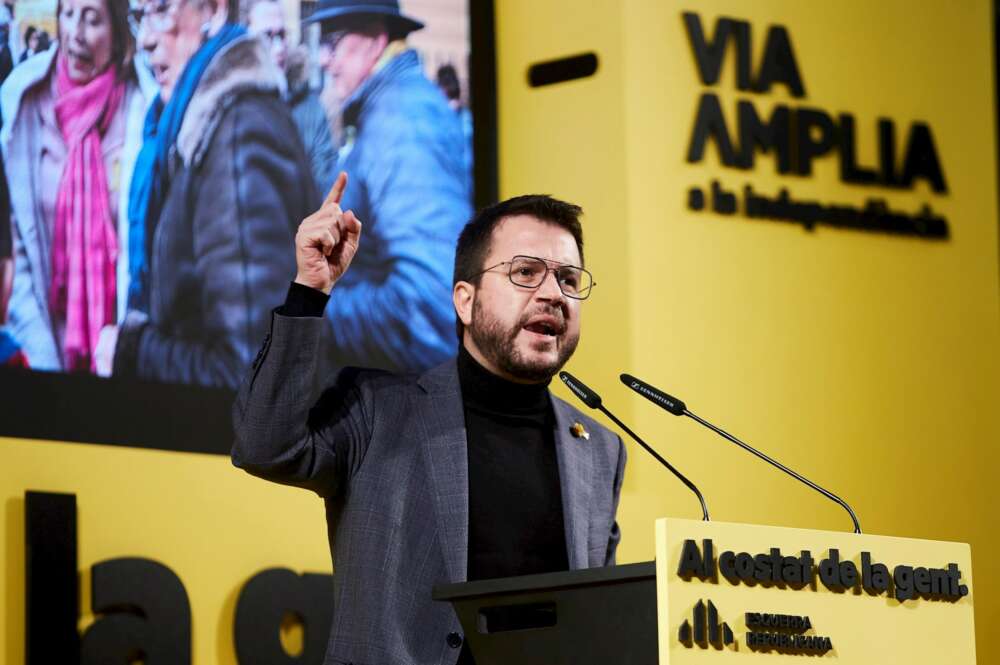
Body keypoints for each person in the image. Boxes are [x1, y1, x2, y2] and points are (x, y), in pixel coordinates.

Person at [232, 174, 625, 665]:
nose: (553, 294)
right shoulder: (376, 409)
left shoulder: (599, 450)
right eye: (526, 272)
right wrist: (309, 291)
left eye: (569, 279)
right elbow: (265, 446)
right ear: (465, 299)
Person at [94, 0, 318, 388]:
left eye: (161, 10)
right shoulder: (192, 124)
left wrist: (132, 350)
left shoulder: (238, 135)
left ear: (213, 11)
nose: (146, 38)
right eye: (139, 15)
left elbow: (252, 372)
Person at [305, 0, 472, 373]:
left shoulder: (401, 118)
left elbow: (427, 307)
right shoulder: (389, 108)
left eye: (332, 42)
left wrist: (312, 307)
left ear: (375, 39)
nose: (323, 60)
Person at [0, 0, 155, 371]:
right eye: (68, 15)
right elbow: (14, 245)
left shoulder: (145, 106)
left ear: (117, 35)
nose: (76, 34)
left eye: (91, 19)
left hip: (119, 348)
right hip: (38, 343)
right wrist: (41, 360)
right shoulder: (23, 100)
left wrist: (122, 348)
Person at [244, 0, 336, 193]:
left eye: (282, 35)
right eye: (267, 36)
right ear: (247, 41)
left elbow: (326, 182)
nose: (279, 48)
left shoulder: (310, 107)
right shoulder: (235, 106)